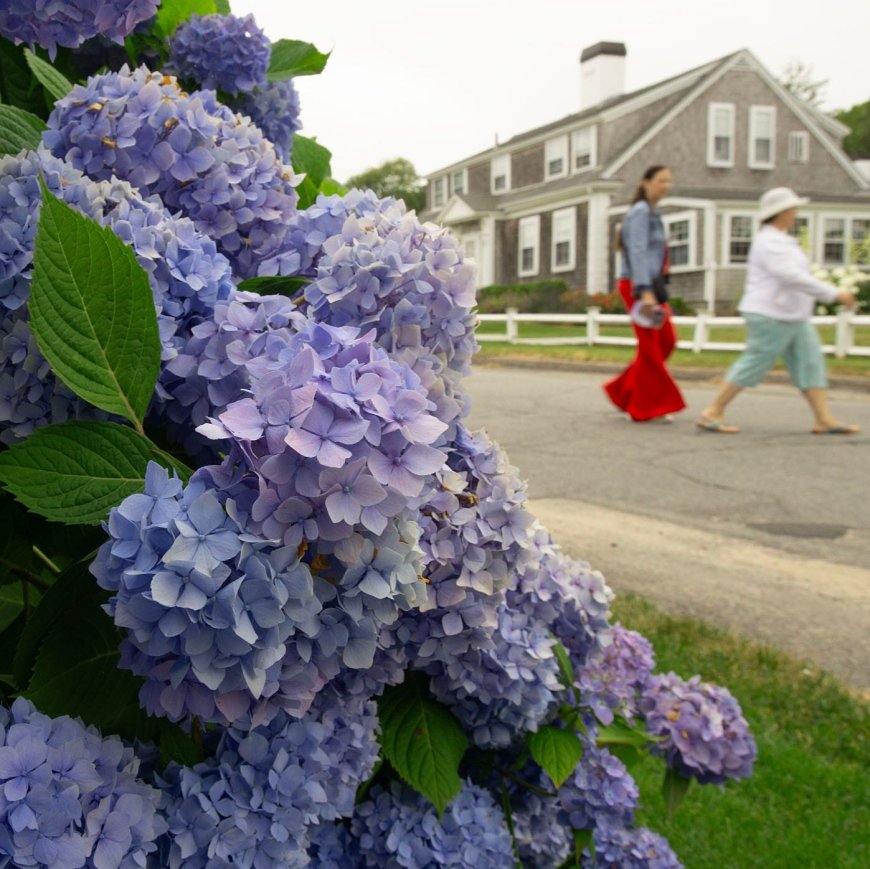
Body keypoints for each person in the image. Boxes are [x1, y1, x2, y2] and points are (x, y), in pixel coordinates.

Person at [698, 187, 860, 435]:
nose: (795, 213)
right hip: (770, 313)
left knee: (810, 361)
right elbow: (789, 275)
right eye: (792, 209)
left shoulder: (782, 240)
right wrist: (832, 293)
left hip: (792, 315)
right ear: (781, 212)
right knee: (756, 361)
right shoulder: (770, 242)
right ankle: (713, 411)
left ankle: (823, 418)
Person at [603, 165, 686, 422]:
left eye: (668, 181)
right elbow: (637, 251)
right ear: (646, 183)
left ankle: (622, 390)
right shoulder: (640, 213)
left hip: (652, 285)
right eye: (661, 180)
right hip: (640, 286)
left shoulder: (653, 212)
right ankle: (645, 406)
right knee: (651, 344)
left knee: (666, 340)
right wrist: (645, 291)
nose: (666, 186)